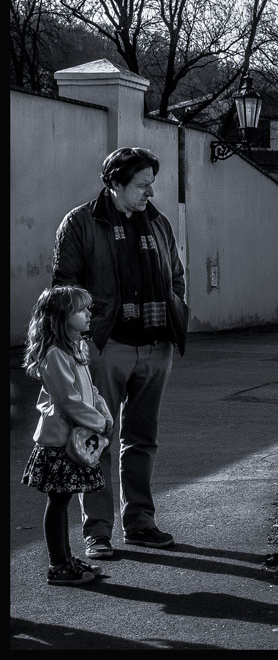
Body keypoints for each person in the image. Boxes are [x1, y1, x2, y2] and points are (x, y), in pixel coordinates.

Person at [52, 146, 186, 560]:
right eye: (142, 184)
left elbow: (176, 276)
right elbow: (65, 287)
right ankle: (98, 532)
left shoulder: (159, 223)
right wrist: (84, 341)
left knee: (143, 439)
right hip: (104, 347)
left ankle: (141, 522)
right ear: (115, 184)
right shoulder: (80, 223)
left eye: (151, 184)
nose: (149, 192)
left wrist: (175, 316)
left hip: (155, 344)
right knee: (96, 437)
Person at [21, 285, 115, 586]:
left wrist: (104, 412)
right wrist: (98, 422)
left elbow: (91, 390)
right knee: (58, 502)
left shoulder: (74, 348)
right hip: (59, 441)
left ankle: (64, 559)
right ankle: (58, 564)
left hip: (72, 438)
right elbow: (68, 401)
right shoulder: (55, 354)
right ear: (61, 317)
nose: (89, 314)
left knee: (63, 501)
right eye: (80, 310)